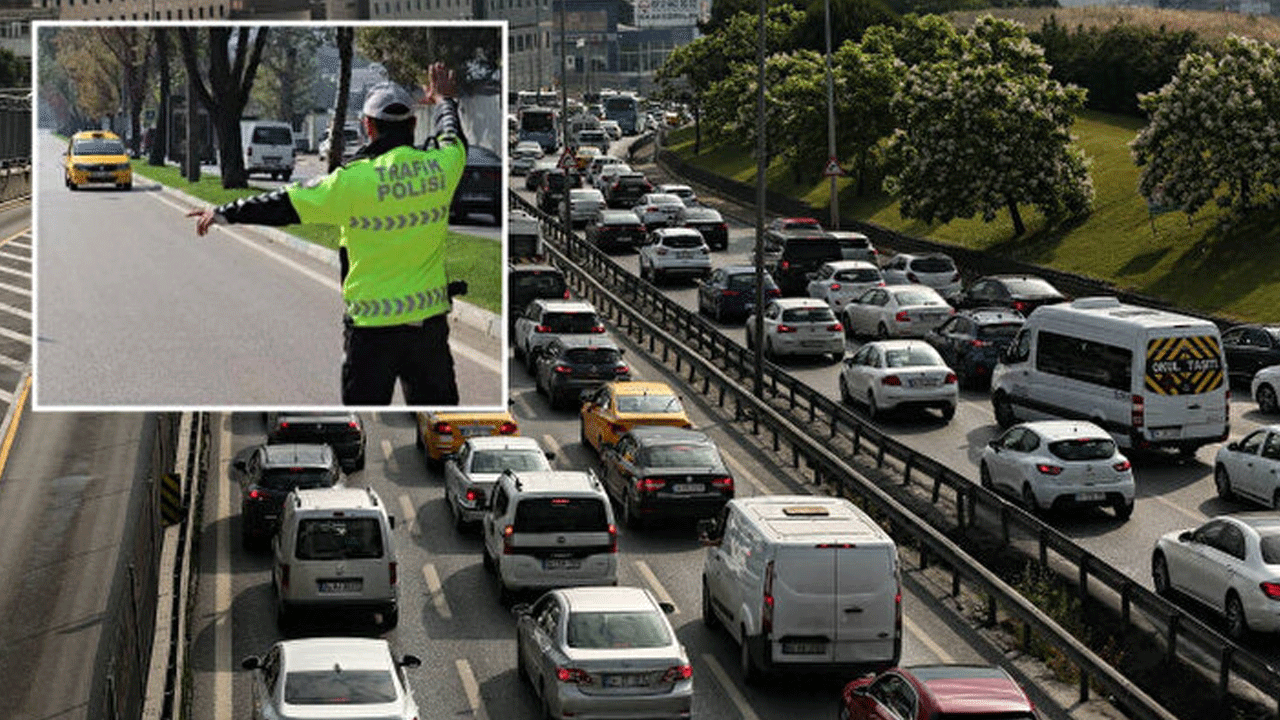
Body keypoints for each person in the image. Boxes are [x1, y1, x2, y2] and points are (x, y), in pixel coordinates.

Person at [188, 63, 467, 405]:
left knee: (362, 418)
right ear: (412, 125)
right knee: (439, 419)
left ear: (367, 126)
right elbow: (452, 134)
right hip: (429, 333)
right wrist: (444, 99)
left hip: (371, 333)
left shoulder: (351, 182)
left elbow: (282, 204)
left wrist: (223, 213)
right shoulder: (441, 168)